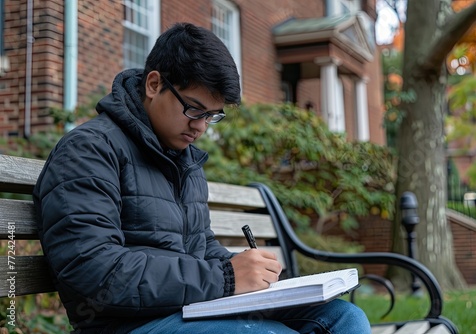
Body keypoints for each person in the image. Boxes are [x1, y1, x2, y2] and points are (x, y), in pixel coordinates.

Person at [33, 22, 370, 334]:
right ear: (154, 84)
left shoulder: (184, 159)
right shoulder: (88, 150)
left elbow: (199, 246)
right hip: (124, 325)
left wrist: (253, 274)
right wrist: (225, 278)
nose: (201, 126)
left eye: (212, 115)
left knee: (345, 318)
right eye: (194, 109)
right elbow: (94, 272)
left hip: (192, 309)